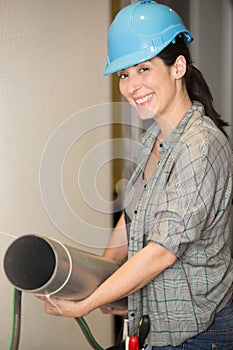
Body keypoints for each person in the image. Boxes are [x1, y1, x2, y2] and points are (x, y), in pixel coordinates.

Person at [38, 1, 233, 348]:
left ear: (178, 67)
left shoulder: (200, 147)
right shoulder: (150, 142)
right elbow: (132, 217)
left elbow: (161, 251)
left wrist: (88, 303)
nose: (131, 86)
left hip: (201, 333)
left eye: (144, 69)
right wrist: (98, 273)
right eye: (124, 74)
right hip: (154, 323)